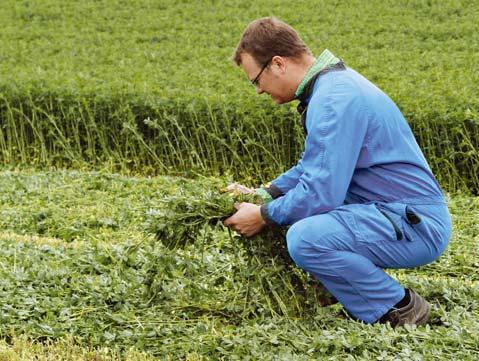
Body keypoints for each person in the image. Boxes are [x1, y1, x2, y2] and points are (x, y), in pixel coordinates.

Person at [223, 17, 452, 327]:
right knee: (297, 216)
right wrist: (265, 194)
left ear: (277, 64)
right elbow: (312, 167)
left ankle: (399, 308)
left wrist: (262, 214)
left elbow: (319, 193)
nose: (259, 91)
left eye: (256, 80)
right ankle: (347, 292)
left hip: (415, 223)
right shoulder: (332, 87)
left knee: (305, 237)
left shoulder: (332, 101)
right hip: (393, 212)